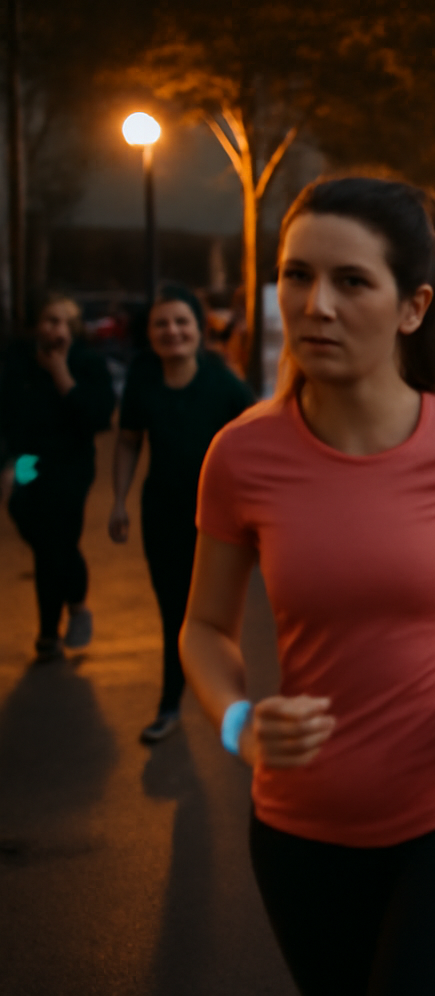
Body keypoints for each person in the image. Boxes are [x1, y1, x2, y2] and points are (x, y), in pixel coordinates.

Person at [180, 177, 435, 996]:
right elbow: (205, 627)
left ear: (412, 307)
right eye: (297, 276)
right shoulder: (242, 456)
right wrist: (237, 723)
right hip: (299, 832)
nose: (315, 304)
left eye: (351, 281)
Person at [109, 284, 254, 744]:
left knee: (218, 618)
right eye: (161, 323)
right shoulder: (142, 377)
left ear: (198, 329)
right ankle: (171, 704)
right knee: (175, 612)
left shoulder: (222, 380)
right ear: (149, 332)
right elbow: (129, 440)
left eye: (181, 322)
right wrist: (118, 500)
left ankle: (230, 705)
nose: (172, 331)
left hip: (220, 521)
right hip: (162, 513)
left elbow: (256, 440)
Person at [0, 295, 116, 662]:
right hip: (29, 461)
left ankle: (52, 630)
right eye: (50, 320)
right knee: (30, 522)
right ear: (38, 324)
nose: (56, 328)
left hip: (70, 464)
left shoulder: (86, 363)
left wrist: (61, 373)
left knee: (56, 541)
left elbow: (97, 418)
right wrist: (7, 463)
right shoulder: (18, 361)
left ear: (75, 328)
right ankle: (74, 604)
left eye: (65, 322)